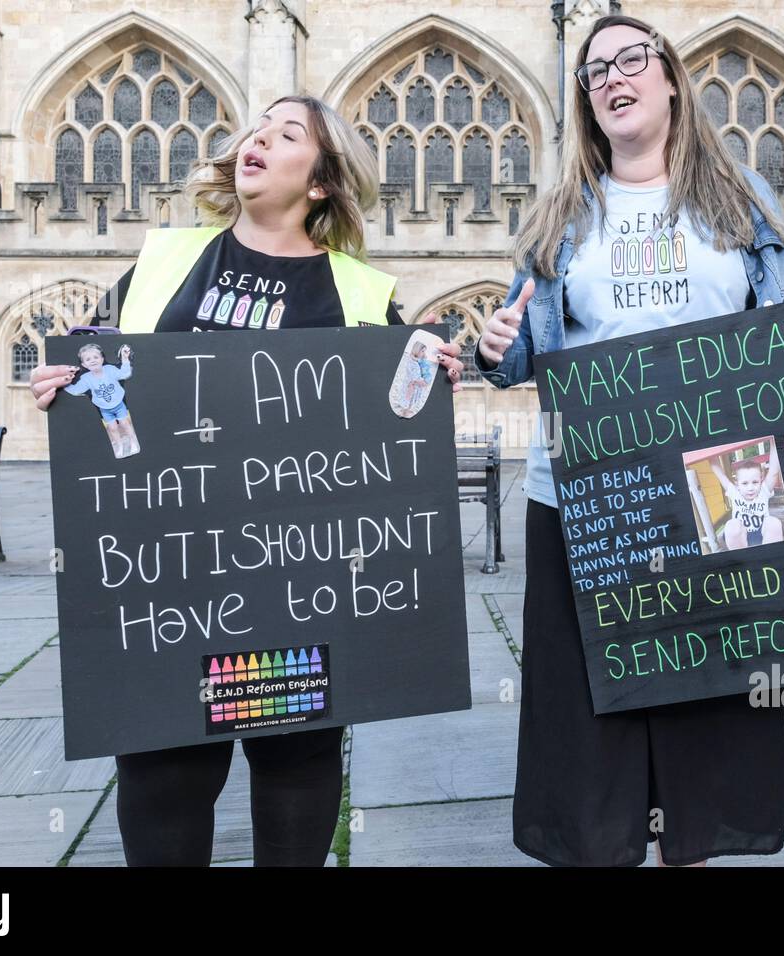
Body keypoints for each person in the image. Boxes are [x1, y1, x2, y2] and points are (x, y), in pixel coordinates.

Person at [475, 14, 784, 867]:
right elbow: (519, 350)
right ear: (587, 100)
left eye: (632, 58)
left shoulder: (742, 200)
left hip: (727, 483)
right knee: (587, 706)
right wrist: (496, 352)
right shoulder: (561, 213)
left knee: (712, 697)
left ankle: (695, 848)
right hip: (587, 492)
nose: (613, 75)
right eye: (595, 67)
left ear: (671, 77)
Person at [29, 95, 464, 866]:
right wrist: (60, 382)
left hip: (299, 587)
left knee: (295, 769)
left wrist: (434, 379)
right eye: (257, 128)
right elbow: (96, 368)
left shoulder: (361, 292)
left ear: (323, 182)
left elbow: (390, 435)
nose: (259, 138)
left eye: (287, 133)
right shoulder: (162, 261)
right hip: (168, 584)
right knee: (165, 774)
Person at [63, 342, 139, 458]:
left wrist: (125, 359)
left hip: (118, 404)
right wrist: (63, 383)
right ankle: (119, 446)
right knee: (112, 428)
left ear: (102, 359)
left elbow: (125, 373)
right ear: (84, 364)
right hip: (104, 409)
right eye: (88, 359)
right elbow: (76, 390)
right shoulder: (86, 378)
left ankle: (133, 442)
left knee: (125, 423)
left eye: (96, 357)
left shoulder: (110, 370)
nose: (93, 360)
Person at [710, 443, 783, 549]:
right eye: (745, 483)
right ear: (737, 484)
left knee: (774, 523)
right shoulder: (735, 493)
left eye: (755, 482)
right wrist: (709, 450)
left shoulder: (764, 491)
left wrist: (774, 442)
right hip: (740, 537)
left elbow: (774, 471)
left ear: (761, 480)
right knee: (732, 525)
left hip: (763, 534)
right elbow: (719, 473)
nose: (750, 488)